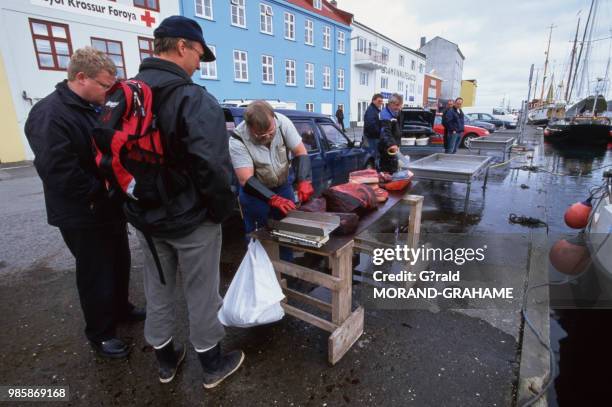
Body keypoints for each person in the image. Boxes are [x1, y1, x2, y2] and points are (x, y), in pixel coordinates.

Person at [128, 15, 243, 388]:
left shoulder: (127, 94)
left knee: (157, 288)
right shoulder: (193, 98)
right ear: (181, 47)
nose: (198, 63)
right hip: (192, 218)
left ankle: (166, 360)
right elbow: (212, 166)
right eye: (198, 54)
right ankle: (211, 365)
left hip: (146, 216)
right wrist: (221, 212)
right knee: (201, 291)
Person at [24, 47, 144, 359]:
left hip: (107, 205)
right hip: (82, 210)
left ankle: (121, 308)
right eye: (105, 85)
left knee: (119, 260)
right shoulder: (50, 113)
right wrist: (99, 192)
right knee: (95, 271)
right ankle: (101, 334)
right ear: (81, 78)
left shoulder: (92, 107)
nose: (109, 92)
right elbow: (57, 170)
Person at [230, 100, 314, 236]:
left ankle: (286, 257)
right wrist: (272, 198)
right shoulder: (237, 139)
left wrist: (303, 180)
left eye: (271, 132)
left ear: (274, 119)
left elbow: (300, 152)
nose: (268, 137)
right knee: (259, 235)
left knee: (288, 230)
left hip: (283, 187)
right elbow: (246, 179)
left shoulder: (283, 123)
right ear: (249, 127)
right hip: (254, 194)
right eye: (261, 135)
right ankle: (261, 256)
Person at [378, 93, 404, 173]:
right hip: (386, 148)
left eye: (400, 105)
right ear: (391, 104)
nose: (399, 108)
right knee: (388, 170)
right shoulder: (385, 115)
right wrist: (391, 144)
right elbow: (385, 133)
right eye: (397, 105)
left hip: (394, 147)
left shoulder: (396, 113)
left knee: (395, 167)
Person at [363, 93, 384, 166]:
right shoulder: (371, 110)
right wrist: (380, 133)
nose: (381, 103)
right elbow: (370, 125)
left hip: (374, 138)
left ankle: (376, 172)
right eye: (379, 101)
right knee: (373, 157)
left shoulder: (376, 110)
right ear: (373, 101)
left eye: (381, 101)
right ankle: (375, 174)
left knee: (376, 157)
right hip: (371, 138)